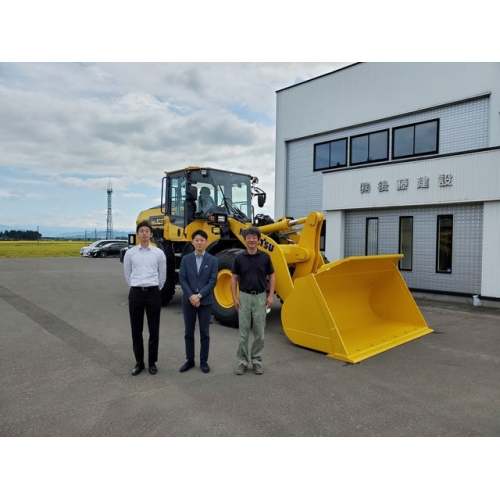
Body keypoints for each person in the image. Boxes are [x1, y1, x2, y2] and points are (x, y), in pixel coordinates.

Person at [123, 220, 166, 376]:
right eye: (141, 231)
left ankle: (152, 363)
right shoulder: (130, 253)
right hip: (136, 293)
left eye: (147, 231)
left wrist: (155, 288)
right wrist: (136, 285)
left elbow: (162, 275)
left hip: (153, 292)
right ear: (137, 234)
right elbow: (127, 274)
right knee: (136, 330)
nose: (144, 233)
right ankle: (139, 363)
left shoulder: (158, 253)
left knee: (154, 331)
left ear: (151, 234)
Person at [231, 227, 275, 375]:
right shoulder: (239, 258)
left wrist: (270, 295)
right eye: (249, 237)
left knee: (259, 333)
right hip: (244, 297)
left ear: (258, 240)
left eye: (254, 237)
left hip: (260, 297)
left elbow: (272, 275)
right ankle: (242, 362)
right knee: (243, 333)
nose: (251, 240)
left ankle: (256, 361)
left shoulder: (265, 257)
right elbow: (234, 278)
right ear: (245, 240)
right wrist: (235, 297)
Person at [178, 229, 218, 373]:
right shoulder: (186, 259)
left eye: (202, 240)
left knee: (204, 333)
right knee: (188, 332)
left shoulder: (213, 260)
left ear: (206, 242)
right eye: (197, 240)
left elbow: (212, 281)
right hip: (188, 301)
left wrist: (199, 296)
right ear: (192, 242)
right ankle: (189, 360)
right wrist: (191, 296)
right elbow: (182, 279)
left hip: (205, 302)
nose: (199, 243)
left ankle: (203, 362)